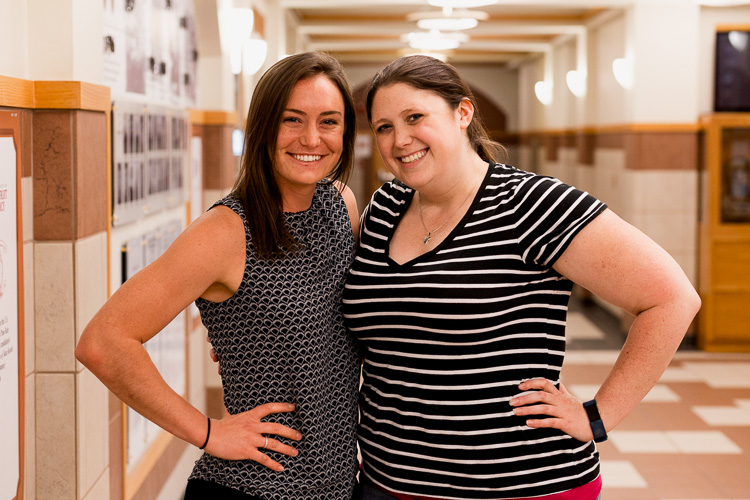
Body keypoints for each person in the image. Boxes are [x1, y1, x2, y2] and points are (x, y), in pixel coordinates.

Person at [342, 55, 701, 500]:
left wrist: (597, 415)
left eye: (415, 117)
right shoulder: (383, 210)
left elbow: (673, 298)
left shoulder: (532, 205)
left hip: (522, 484)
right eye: (383, 127)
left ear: (462, 113)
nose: (400, 140)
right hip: (390, 481)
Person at [76, 52, 362, 500]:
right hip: (253, 487)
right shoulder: (227, 230)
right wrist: (209, 432)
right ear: (263, 127)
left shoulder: (340, 205)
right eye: (292, 120)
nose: (312, 138)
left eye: (329, 121)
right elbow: (103, 342)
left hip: (338, 485)